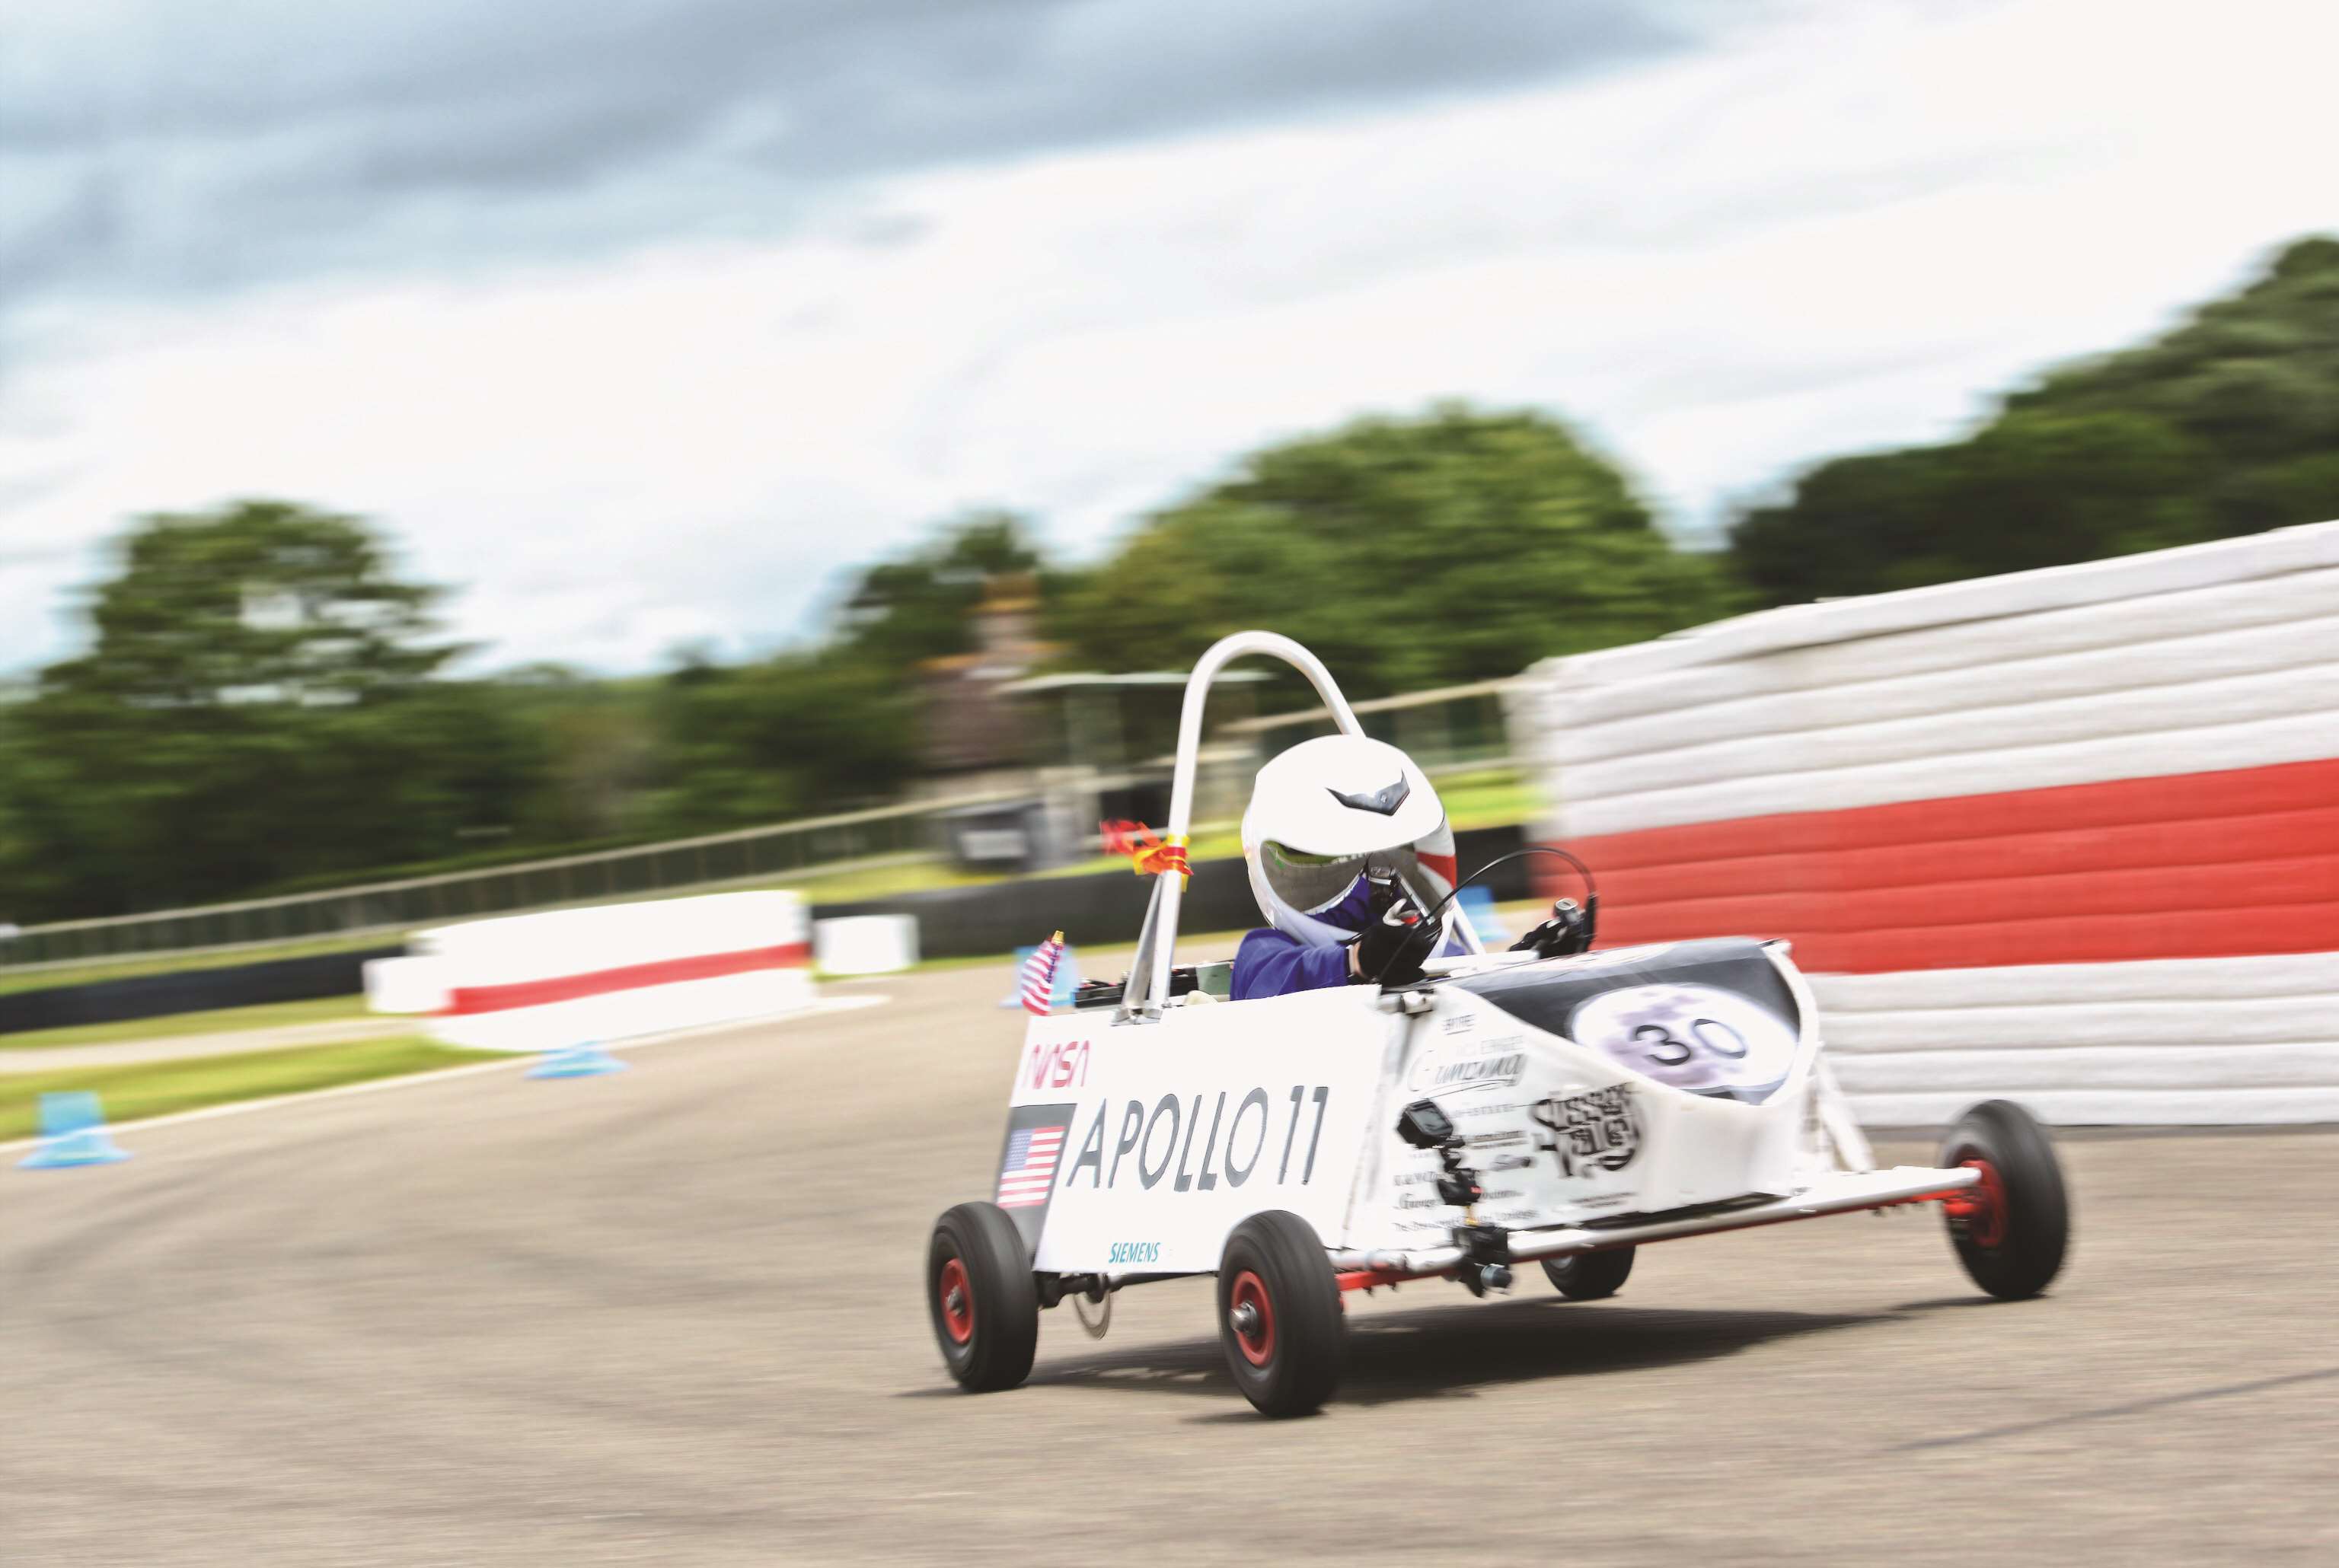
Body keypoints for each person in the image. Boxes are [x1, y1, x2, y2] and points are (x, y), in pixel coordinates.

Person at [1232, 735, 1464, 1000]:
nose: (1385, 876)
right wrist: (1358, 961)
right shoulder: (1264, 958)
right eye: (1343, 861)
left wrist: (1514, 965)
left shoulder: (1447, 954)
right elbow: (1273, 985)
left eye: (1397, 856)